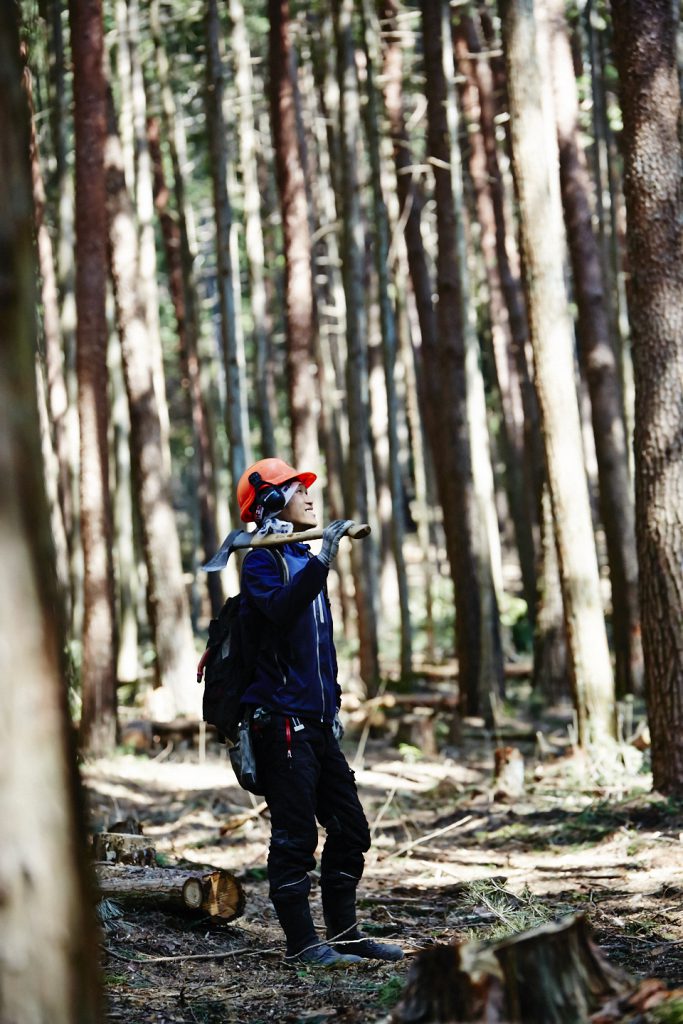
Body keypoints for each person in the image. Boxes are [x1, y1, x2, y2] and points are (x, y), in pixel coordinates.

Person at [236, 457, 404, 967]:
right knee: (295, 838)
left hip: (316, 723)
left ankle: (346, 934)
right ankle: (303, 945)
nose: (310, 497)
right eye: (297, 490)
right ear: (270, 502)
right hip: (279, 723)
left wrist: (332, 706)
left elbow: (319, 647)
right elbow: (283, 610)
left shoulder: (301, 558)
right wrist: (322, 559)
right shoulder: (263, 562)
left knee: (351, 828)